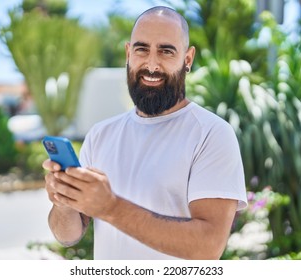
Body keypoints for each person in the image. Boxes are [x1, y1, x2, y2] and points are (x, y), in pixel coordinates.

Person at [43, 6, 247, 260]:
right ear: (129, 53)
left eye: (166, 51)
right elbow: (68, 235)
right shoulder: (100, 135)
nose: (152, 64)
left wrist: (110, 207)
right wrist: (62, 201)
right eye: (142, 49)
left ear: (188, 59)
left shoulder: (211, 134)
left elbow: (208, 247)